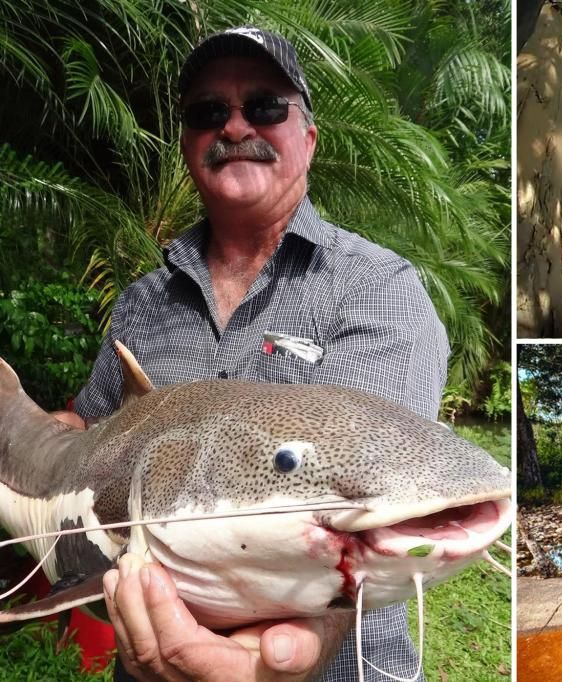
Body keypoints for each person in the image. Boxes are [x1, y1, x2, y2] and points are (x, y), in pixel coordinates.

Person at [56, 27, 446, 682]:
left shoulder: (378, 291)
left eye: (265, 105)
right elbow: (93, 434)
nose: (235, 126)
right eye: (209, 113)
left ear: (309, 139)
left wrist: (301, 645)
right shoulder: (143, 302)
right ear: (188, 147)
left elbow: (372, 499)